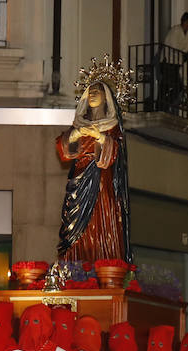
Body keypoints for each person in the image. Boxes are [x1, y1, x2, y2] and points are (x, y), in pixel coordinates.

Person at [56, 79, 131, 265]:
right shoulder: (79, 124)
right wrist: (76, 134)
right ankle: (75, 267)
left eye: (97, 91)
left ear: (107, 97)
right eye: (90, 91)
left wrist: (100, 136)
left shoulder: (112, 125)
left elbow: (117, 153)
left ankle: (104, 264)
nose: (92, 94)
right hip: (79, 178)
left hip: (101, 180)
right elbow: (64, 150)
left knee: (100, 220)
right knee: (75, 225)